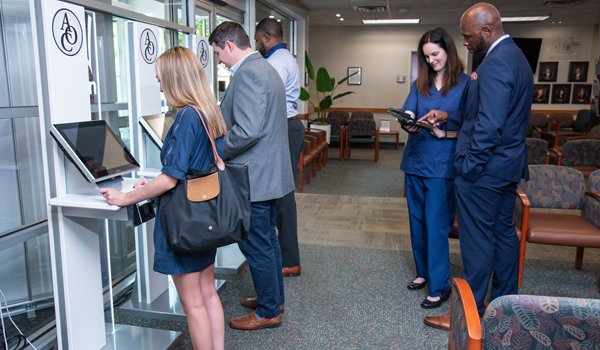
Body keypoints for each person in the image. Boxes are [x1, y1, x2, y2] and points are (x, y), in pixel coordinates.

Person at [99, 47, 227, 349]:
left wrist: (125, 198)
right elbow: (192, 168)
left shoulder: (185, 117)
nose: (158, 85)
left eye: (160, 79)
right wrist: (153, 183)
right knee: (208, 293)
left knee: (193, 304)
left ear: (174, 79)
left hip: (184, 221)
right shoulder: (207, 111)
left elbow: (170, 179)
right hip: (204, 217)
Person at [422, 2, 533, 331]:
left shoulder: (497, 63)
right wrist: (449, 115)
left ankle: (469, 315)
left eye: (468, 36)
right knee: (502, 236)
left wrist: (469, 166)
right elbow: (484, 113)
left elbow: (489, 125)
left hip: (484, 171)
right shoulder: (515, 57)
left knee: (476, 243)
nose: (465, 42)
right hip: (505, 167)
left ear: (488, 30)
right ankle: (503, 307)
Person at [208, 22, 294, 330]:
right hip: (268, 172)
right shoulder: (265, 67)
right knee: (267, 241)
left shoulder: (249, 73)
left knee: (256, 243)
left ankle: (269, 311)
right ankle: (274, 299)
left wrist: (216, 150)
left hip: (254, 175)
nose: (219, 60)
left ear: (229, 46)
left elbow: (247, 131)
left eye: (218, 53)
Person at [400, 27, 469, 309]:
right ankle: (423, 272)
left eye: (436, 54)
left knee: (437, 224)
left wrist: (446, 116)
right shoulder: (420, 84)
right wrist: (406, 119)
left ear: (448, 51)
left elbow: (470, 118)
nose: (431, 60)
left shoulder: (465, 84)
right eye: (426, 57)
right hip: (416, 160)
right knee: (417, 221)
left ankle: (439, 285)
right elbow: (408, 110)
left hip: (442, 164)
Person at [254, 18, 304, 278]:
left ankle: (288, 259)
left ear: (265, 37)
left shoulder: (273, 62)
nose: (256, 44)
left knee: (282, 197)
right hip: (290, 126)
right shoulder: (288, 57)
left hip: (282, 128)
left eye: (257, 39)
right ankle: (284, 257)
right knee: (282, 194)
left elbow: (265, 100)